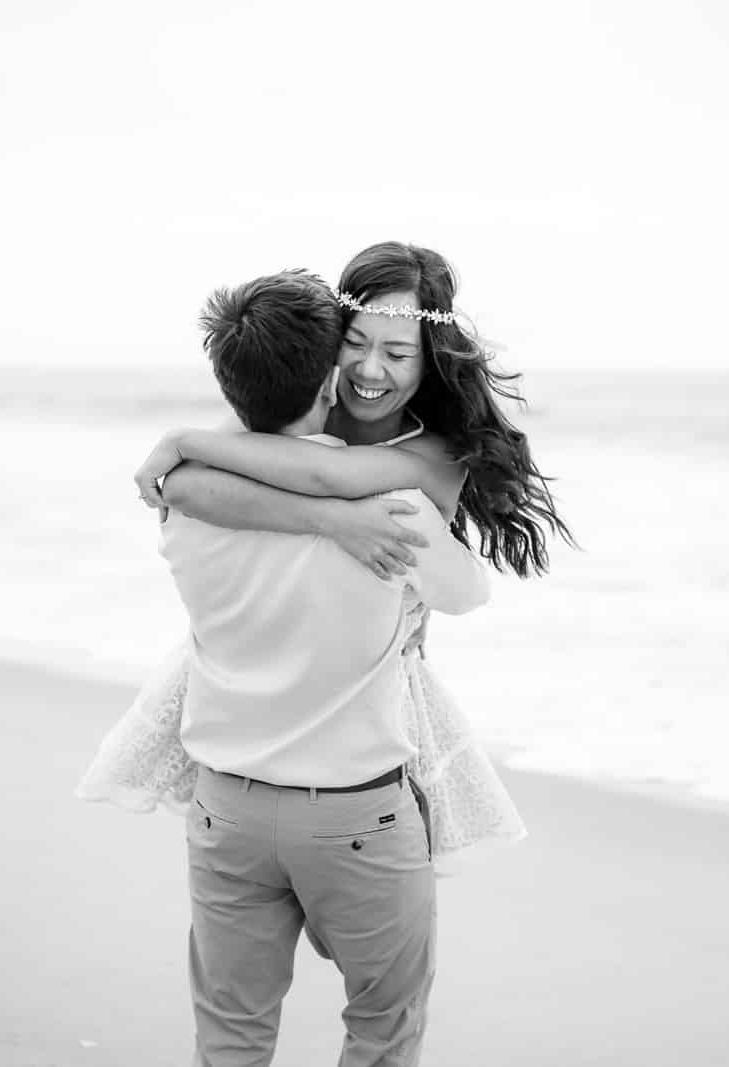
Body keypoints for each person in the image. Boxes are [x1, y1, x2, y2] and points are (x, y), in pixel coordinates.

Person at [82, 242, 569, 868]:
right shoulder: (304, 399)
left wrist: (182, 440)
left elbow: (320, 474)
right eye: (356, 343)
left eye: (398, 354)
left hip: (361, 694)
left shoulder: (438, 456)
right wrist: (334, 523)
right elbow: (187, 489)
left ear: (432, 360)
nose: (370, 370)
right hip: (257, 675)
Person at [158, 269, 489, 1066]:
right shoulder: (397, 509)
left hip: (225, 809)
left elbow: (223, 476)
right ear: (330, 376)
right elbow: (467, 594)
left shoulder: (190, 500)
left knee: (230, 1038)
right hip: (354, 816)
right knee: (382, 1030)